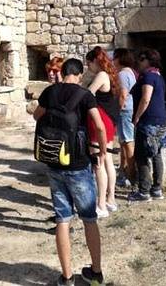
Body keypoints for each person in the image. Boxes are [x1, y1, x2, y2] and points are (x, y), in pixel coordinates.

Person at [34, 58, 106, 286]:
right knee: (89, 219)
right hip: (78, 163)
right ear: (80, 73)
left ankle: (66, 277)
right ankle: (96, 272)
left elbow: (37, 116)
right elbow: (99, 125)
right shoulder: (85, 95)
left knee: (62, 219)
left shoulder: (49, 92)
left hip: (54, 160)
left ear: (63, 72)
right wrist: (102, 152)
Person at [128, 49, 166, 203]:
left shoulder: (147, 76)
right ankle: (157, 189)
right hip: (161, 120)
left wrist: (137, 117)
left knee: (142, 155)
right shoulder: (159, 76)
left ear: (148, 60)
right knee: (157, 154)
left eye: (141, 58)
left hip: (148, 121)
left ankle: (144, 191)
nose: (139, 61)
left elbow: (146, 98)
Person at [85, 47, 119, 218]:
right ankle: (110, 199)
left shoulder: (101, 75)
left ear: (94, 62)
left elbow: (88, 95)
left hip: (100, 120)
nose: (88, 66)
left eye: (88, 63)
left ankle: (101, 205)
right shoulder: (111, 74)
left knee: (98, 163)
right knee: (108, 162)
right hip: (109, 121)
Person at [112, 48, 137, 188]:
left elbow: (123, 94)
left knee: (127, 142)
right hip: (130, 109)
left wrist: (116, 110)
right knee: (124, 141)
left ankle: (131, 175)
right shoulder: (130, 72)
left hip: (125, 110)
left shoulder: (122, 74)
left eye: (114, 58)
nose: (113, 61)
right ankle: (124, 170)